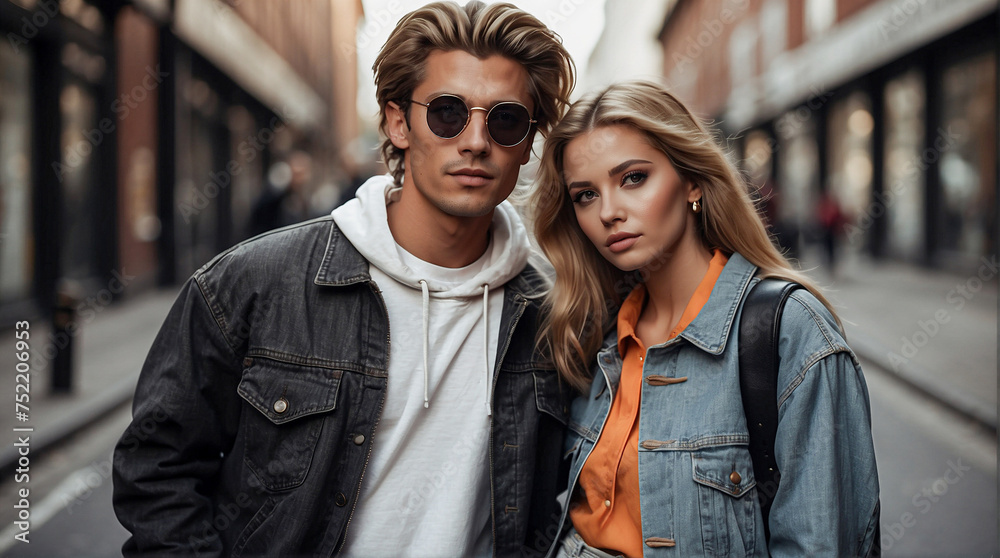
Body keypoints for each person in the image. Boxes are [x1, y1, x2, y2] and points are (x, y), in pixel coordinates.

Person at [112, 3, 575, 557]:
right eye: (448, 113)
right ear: (397, 122)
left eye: (504, 120)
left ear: (527, 143)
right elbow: (155, 468)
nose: (476, 141)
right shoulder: (252, 285)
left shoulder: (557, 315)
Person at [530, 81, 880, 557]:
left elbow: (821, 543)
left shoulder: (788, 331)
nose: (608, 212)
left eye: (633, 178)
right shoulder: (594, 332)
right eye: (585, 195)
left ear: (692, 180)